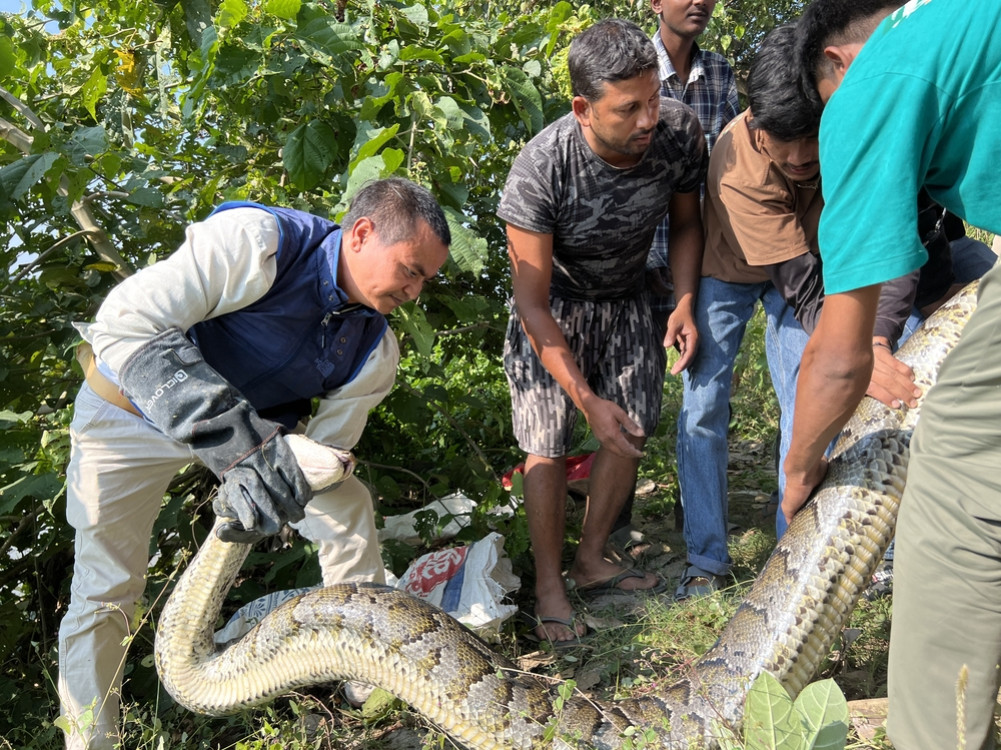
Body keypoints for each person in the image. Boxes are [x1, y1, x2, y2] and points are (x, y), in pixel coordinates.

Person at [57, 178, 452, 749]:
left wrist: (286, 488)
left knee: (348, 503)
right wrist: (238, 448)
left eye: (426, 281)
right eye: (411, 270)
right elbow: (123, 322)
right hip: (127, 414)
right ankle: (91, 741)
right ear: (362, 233)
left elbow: (321, 462)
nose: (415, 291)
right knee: (105, 587)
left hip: (250, 439)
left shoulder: (373, 351)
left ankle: (371, 673)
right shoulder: (259, 242)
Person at [786, 1, 1001, 747]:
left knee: (951, 492)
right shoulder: (961, 24)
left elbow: (838, 356)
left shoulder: (873, 81)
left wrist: (798, 469)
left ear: (838, 64)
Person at [498, 18, 706, 646]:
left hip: (628, 299)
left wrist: (685, 300)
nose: (649, 119)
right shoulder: (541, 168)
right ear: (582, 108)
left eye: (653, 99)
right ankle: (548, 586)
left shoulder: (676, 132)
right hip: (554, 309)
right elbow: (531, 303)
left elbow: (688, 223)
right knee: (547, 441)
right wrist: (584, 398)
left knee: (630, 430)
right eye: (629, 109)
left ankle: (590, 561)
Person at [609, 0, 740, 559]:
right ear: (655, 4)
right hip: (636, 261)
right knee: (628, 392)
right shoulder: (628, 71)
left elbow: (725, 169)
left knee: (704, 390)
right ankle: (613, 530)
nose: (698, 2)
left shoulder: (721, 76)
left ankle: (698, 522)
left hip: (696, 257)